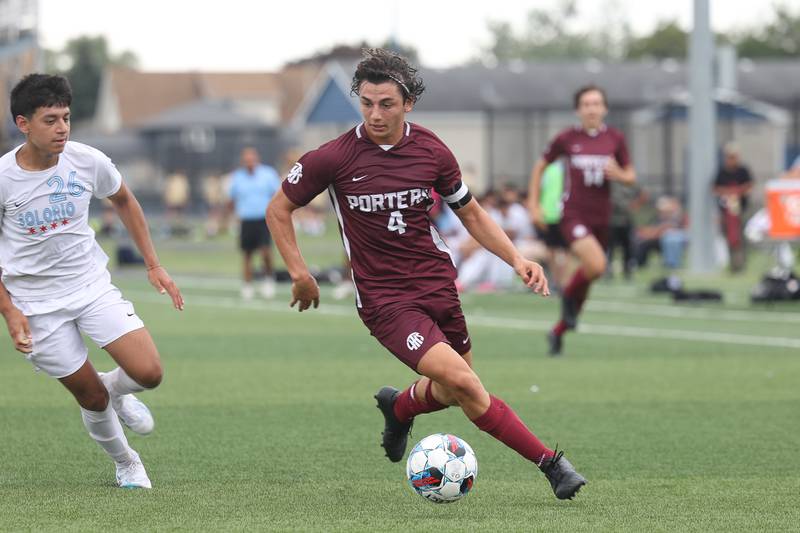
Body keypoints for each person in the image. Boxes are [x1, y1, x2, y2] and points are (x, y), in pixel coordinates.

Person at [267, 48, 586, 500]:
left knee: (455, 389)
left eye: (387, 104)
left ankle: (399, 407)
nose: (375, 114)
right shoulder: (333, 157)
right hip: (385, 300)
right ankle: (552, 465)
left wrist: (517, 259)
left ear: (408, 104)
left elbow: (471, 213)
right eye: (367, 103)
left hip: (438, 285)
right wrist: (300, 272)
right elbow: (279, 209)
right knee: (465, 385)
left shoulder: (432, 150)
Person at [0, 74, 184, 488]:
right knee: (91, 397)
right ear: (23, 123)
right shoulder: (3, 178)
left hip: (90, 286)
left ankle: (118, 390)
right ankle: (127, 462)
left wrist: (153, 264)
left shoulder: (87, 159)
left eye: (65, 117)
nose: (62, 128)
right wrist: (9, 311)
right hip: (34, 304)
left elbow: (124, 200)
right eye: (50, 119)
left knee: (149, 372)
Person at [528, 85, 636, 356]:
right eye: (586, 104)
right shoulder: (567, 138)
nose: (592, 108)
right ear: (578, 109)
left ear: (604, 108)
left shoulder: (615, 138)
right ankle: (565, 296)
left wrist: (619, 174)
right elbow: (540, 165)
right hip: (573, 214)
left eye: (597, 103)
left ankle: (558, 331)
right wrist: (533, 204)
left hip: (602, 217)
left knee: (587, 284)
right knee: (597, 265)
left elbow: (631, 176)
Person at [228, 147, 281, 300]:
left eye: (251, 159)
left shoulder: (268, 174)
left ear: (257, 159)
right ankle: (247, 285)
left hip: (264, 219)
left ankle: (269, 280)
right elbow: (232, 199)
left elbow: (277, 195)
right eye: (246, 160)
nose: (249, 162)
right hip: (246, 220)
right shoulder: (238, 177)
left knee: (266, 251)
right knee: (247, 254)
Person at [713, 142, 753, 272]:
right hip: (725, 212)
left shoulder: (743, 171)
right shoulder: (722, 172)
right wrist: (728, 193)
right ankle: (732, 265)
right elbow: (715, 188)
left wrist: (736, 192)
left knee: (740, 237)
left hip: (741, 211)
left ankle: (741, 265)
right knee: (729, 237)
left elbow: (749, 186)